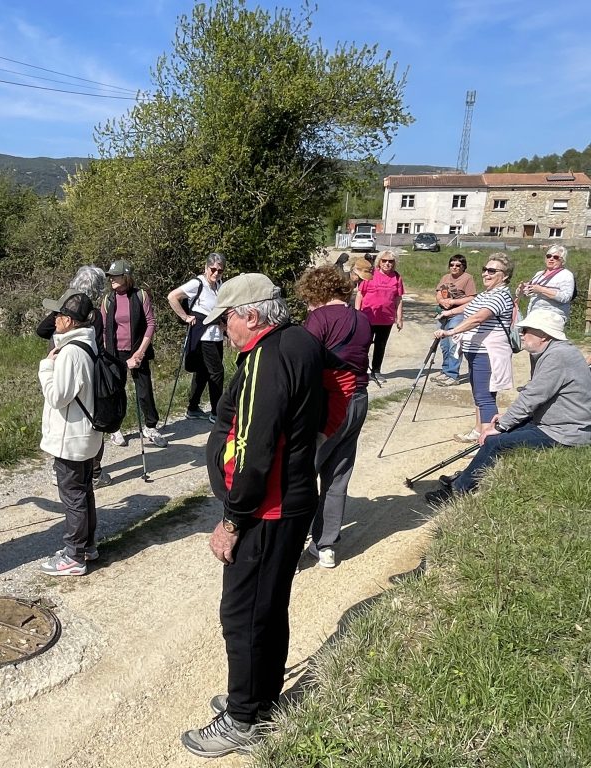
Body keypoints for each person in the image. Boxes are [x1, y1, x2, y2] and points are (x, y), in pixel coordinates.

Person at [180, 274, 324, 758]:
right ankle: (259, 699)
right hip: (290, 499)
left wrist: (232, 520)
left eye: (227, 321)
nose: (224, 331)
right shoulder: (300, 339)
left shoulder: (266, 357)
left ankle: (243, 720)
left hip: (268, 508)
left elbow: (254, 449)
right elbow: (333, 399)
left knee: (242, 614)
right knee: (267, 607)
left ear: (253, 315)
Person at [425, 308, 591, 505]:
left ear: (544, 334)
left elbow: (532, 396)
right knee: (500, 433)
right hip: (556, 423)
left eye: (526, 330)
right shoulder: (554, 351)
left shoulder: (558, 356)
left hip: (566, 432)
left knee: (496, 441)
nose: (521, 334)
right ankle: (468, 475)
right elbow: (535, 394)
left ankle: (458, 490)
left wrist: (501, 425)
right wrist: (506, 420)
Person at [295, 266, 371, 570]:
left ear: (318, 292)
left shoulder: (320, 318)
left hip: (329, 402)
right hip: (359, 399)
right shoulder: (362, 319)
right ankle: (325, 545)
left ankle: (289, 545)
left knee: (301, 474)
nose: (308, 305)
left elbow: (304, 361)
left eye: (308, 298)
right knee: (338, 475)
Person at [36, 290, 102, 576]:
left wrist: (46, 367)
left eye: (60, 315)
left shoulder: (71, 352)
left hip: (71, 438)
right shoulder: (89, 344)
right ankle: (88, 546)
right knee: (84, 492)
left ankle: (74, 556)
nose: (55, 319)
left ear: (71, 321)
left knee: (73, 496)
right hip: (86, 435)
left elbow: (57, 397)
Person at [36, 265, 111, 487]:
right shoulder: (89, 314)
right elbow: (99, 346)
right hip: (79, 366)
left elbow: (41, 331)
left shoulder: (67, 307)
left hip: (60, 362)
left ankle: (63, 468)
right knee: (85, 418)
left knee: (63, 417)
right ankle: (93, 471)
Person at [434, 253, 515, 443]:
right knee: (479, 394)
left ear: (504, 276)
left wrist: (450, 332)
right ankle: (479, 431)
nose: (486, 274)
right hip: (476, 351)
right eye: (485, 270)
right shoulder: (488, 293)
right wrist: (449, 312)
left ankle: (488, 443)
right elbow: (471, 305)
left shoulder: (500, 295)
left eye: (492, 271)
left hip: (487, 353)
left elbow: (478, 318)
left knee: (485, 397)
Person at [103, 258, 167, 448]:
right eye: (110, 276)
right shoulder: (108, 300)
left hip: (138, 350)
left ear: (126, 277)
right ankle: (115, 429)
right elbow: (104, 329)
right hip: (115, 353)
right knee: (116, 391)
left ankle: (150, 427)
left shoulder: (141, 296)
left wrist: (140, 352)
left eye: (115, 276)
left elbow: (150, 324)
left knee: (144, 390)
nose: (111, 279)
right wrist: (106, 353)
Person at [167, 252, 226, 422]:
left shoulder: (220, 285)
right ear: (206, 268)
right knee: (217, 372)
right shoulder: (197, 283)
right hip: (203, 335)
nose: (216, 273)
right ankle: (216, 413)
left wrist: (223, 323)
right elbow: (172, 297)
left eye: (220, 270)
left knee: (203, 372)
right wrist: (185, 317)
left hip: (216, 334)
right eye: (213, 269)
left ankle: (192, 408)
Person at [355, 250, 403, 384]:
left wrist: (399, 318)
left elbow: (398, 299)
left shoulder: (397, 277)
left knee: (380, 346)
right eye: (384, 260)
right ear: (379, 262)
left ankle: (376, 371)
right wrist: (356, 313)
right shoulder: (370, 274)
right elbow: (360, 294)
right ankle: (361, 371)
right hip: (367, 317)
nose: (387, 263)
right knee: (363, 345)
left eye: (390, 261)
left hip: (386, 319)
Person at [432, 254, 477, 386]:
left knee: (454, 344)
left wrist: (453, 302)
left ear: (463, 266)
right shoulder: (445, 277)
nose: (454, 267)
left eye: (458, 265)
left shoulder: (467, 278)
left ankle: (453, 374)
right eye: (452, 265)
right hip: (443, 313)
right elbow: (439, 292)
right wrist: (442, 301)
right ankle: (446, 370)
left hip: (458, 314)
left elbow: (471, 298)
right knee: (444, 344)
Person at [516, 245, 574, 321]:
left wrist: (542, 290)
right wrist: (522, 290)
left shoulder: (566, 275)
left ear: (562, 261)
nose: (551, 259)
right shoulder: (539, 274)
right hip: (533, 314)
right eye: (549, 256)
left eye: (555, 257)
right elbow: (528, 294)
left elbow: (566, 297)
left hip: (552, 316)